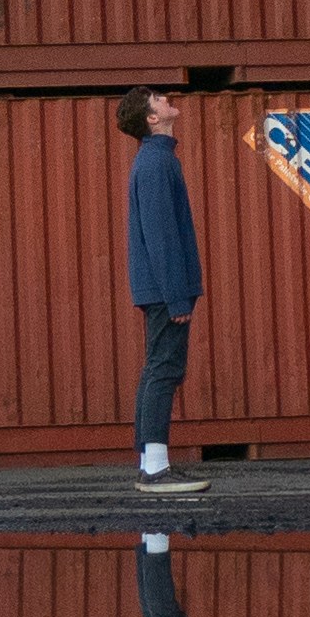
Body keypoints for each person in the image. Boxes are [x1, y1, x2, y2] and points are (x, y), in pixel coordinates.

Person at [117, 86, 203, 488]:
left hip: (161, 287)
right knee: (163, 370)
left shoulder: (158, 160)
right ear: (152, 119)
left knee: (157, 369)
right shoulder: (154, 164)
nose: (166, 99)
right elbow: (161, 235)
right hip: (164, 289)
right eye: (156, 98)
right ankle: (154, 468)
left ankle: (150, 462)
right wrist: (176, 295)